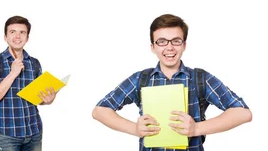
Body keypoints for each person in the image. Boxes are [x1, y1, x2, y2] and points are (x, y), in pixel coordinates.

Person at [92, 14, 252, 150]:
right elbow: (100, 111)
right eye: (162, 41)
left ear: (184, 45)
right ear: (152, 47)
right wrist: (134, 128)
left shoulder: (200, 78)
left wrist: (196, 128)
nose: (169, 47)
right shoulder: (140, 79)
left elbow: (243, 113)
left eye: (176, 41)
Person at [0, 15, 57, 151]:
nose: (18, 36)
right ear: (5, 37)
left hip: (34, 131)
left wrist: (48, 100)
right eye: (12, 32)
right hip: (8, 135)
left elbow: (37, 98)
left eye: (22, 32)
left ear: (27, 38)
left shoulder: (34, 63)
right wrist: (13, 73)